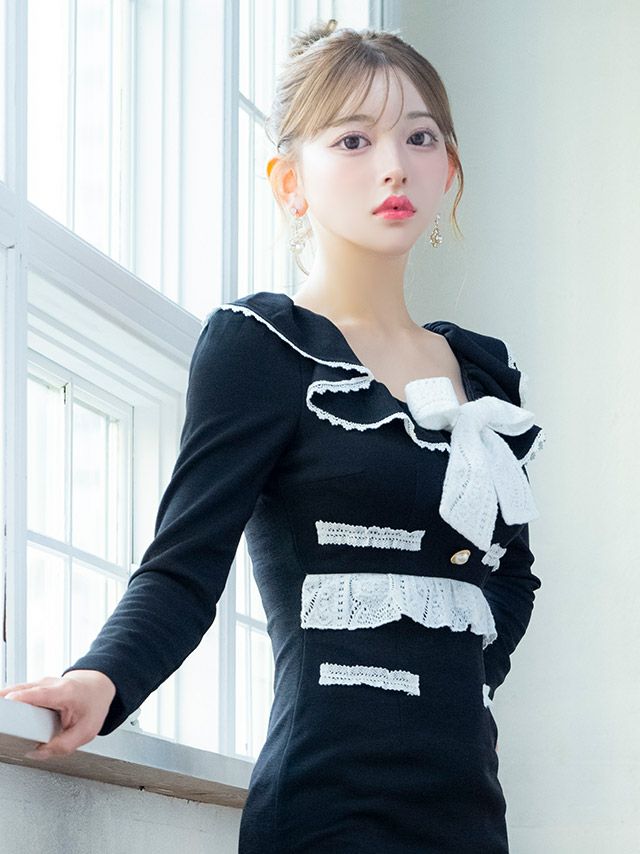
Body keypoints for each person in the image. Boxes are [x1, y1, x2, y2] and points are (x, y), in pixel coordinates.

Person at [0, 18, 546, 853]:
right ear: (290, 181)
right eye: (353, 140)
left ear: (450, 168)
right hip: (325, 810)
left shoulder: (484, 372)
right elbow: (184, 570)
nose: (394, 165)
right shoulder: (262, 345)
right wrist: (99, 679)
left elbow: (512, 576)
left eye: (420, 137)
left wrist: (455, 684)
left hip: (471, 812)